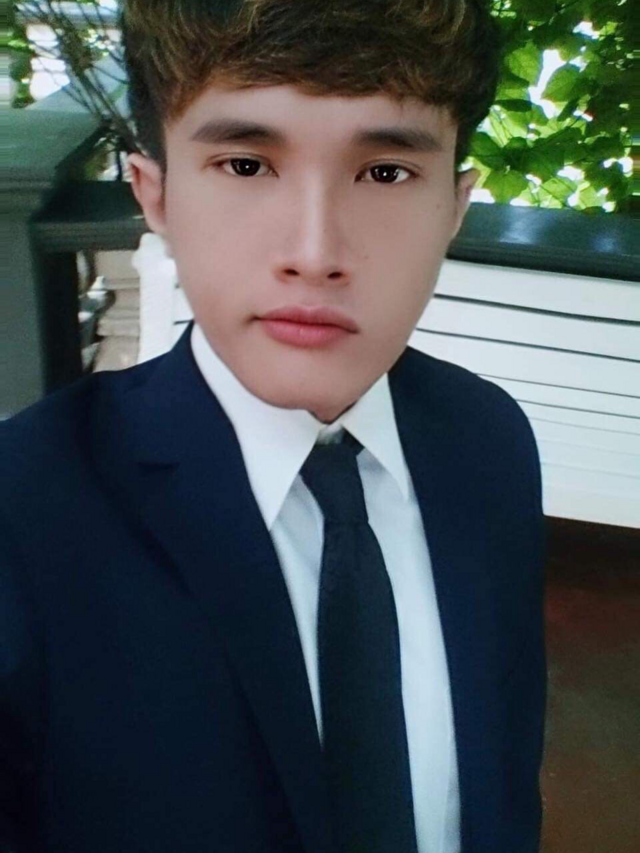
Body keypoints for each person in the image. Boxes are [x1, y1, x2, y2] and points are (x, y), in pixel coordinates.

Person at [0, 2, 547, 851]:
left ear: (456, 204)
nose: (315, 252)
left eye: (386, 172)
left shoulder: (488, 440)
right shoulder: (24, 511)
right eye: (247, 164)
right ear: (155, 193)